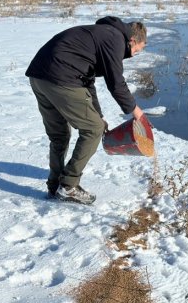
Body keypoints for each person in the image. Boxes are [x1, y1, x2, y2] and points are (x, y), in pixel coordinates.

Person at [26, 16, 147, 204]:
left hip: (39, 76)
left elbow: (87, 81)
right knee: (93, 129)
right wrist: (135, 110)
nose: (132, 55)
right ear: (133, 40)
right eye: (136, 51)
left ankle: (55, 186)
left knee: (60, 135)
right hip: (61, 76)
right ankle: (68, 185)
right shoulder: (115, 38)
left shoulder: (103, 34)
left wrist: (98, 114)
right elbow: (116, 83)